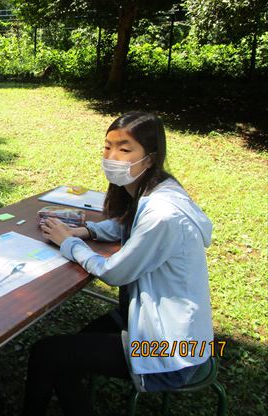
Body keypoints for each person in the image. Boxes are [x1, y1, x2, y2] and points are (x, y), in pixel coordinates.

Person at [22, 112, 214, 416]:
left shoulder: (163, 214)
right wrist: (85, 230)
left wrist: (68, 242)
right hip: (151, 320)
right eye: (107, 147)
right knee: (70, 351)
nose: (112, 157)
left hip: (174, 350)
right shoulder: (157, 189)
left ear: (150, 157)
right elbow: (127, 224)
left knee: (47, 354)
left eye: (125, 150)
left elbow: (114, 272)